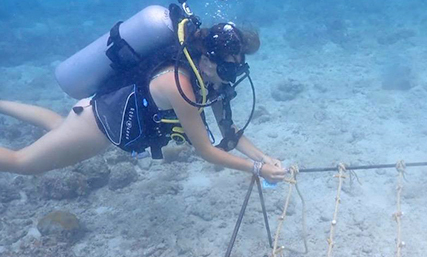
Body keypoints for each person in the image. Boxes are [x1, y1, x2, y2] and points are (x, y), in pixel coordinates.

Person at [0, 21, 287, 183]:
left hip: (91, 113)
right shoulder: (179, 85)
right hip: (97, 127)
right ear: (206, 59)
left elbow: (229, 133)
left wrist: (263, 158)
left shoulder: (209, 82)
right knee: (21, 162)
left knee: (59, 126)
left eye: (237, 70)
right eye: (227, 69)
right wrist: (256, 170)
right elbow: (207, 152)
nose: (231, 77)